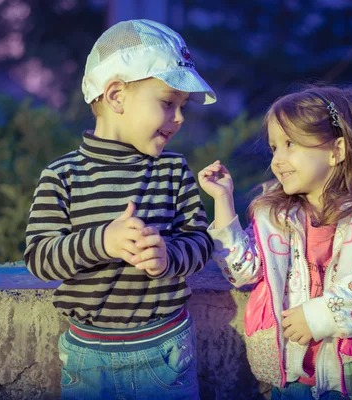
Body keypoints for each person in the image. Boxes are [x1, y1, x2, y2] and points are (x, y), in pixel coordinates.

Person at [198, 85, 352, 400]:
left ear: (337, 151)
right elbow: (243, 271)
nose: (278, 160)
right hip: (292, 377)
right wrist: (223, 200)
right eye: (274, 148)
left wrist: (322, 316)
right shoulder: (276, 215)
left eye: (290, 144)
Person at [24, 19, 216, 400]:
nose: (179, 118)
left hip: (165, 350)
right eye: (167, 103)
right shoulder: (63, 176)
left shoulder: (172, 170)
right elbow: (39, 258)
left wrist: (169, 256)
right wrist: (103, 241)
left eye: (182, 107)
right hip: (88, 357)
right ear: (116, 96)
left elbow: (200, 240)